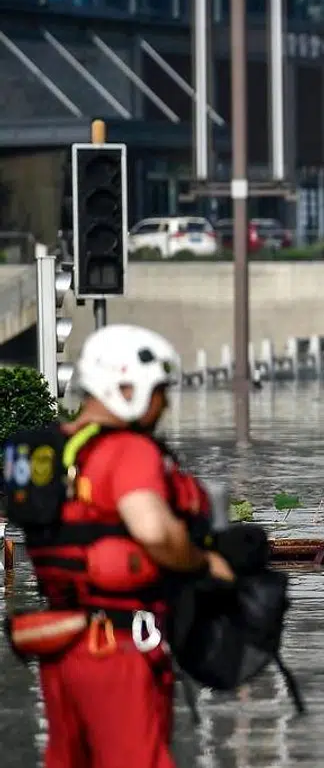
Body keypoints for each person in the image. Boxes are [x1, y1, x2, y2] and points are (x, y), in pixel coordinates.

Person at [2, 324, 234, 768]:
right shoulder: (129, 451)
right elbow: (154, 532)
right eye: (159, 391)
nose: (163, 403)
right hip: (120, 647)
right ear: (127, 387)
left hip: (60, 645)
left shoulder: (57, 449)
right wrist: (204, 563)